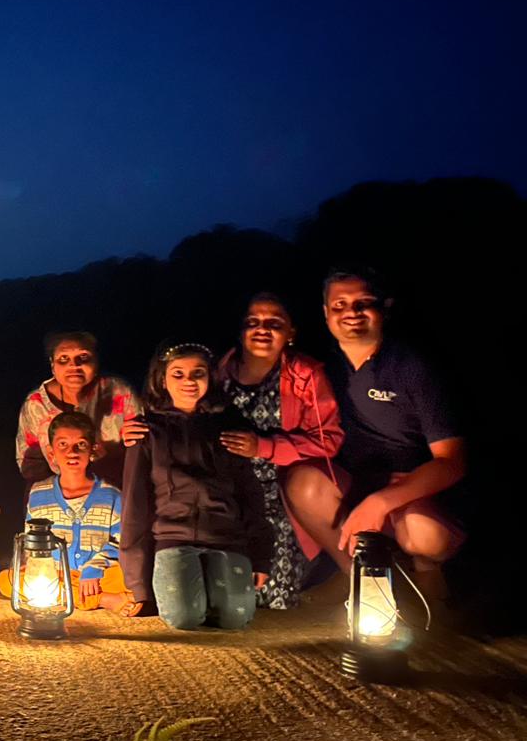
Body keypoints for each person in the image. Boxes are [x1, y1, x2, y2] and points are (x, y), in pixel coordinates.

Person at [123, 294, 343, 609]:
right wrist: (133, 431)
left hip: (280, 488)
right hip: (201, 510)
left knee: (269, 601)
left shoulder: (304, 375)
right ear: (241, 331)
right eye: (253, 323)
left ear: (290, 332)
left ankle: (330, 574)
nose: (262, 330)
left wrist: (264, 447)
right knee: (197, 605)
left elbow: (328, 439)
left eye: (274, 324)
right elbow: (175, 410)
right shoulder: (222, 372)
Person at [282, 267, 466, 601]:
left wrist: (382, 502)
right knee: (302, 484)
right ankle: (357, 578)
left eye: (362, 303)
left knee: (427, 537)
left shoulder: (412, 365)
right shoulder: (323, 366)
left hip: (411, 485)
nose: (350, 313)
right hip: (355, 480)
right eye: (339, 305)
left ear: (385, 307)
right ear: (325, 313)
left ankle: (427, 571)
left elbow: (451, 461)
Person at [119, 342, 271, 629]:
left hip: (226, 537)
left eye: (197, 373)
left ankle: (212, 587)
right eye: (178, 374)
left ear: (210, 378)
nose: (188, 381)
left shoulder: (229, 426)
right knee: (183, 617)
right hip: (173, 538)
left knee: (235, 618)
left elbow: (250, 493)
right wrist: (138, 583)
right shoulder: (146, 432)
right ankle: (191, 590)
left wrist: (260, 557)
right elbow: (134, 504)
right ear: (162, 380)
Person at [0, 411, 126, 610]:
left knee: (127, 578)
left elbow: (121, 543)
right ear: (51, 452)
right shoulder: (39, 493)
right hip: (54, 572)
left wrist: (93, 569)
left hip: (99, 574)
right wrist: (31, 564)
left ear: (93, 450)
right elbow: (33, 538)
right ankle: (100, 600)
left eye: (81, 445)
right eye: (63, 445)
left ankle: (71, 595)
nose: (72, 452)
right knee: (7, 580)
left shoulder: (112, 495)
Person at [15, 331, 140, 487]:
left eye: (83, 357)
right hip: (58, 493)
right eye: (63, 359)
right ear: (53, 366)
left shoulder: (118, 392)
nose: (73, 365)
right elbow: (31, 463)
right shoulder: (36, 406)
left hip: (116, 487)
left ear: (96, 362)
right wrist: (46, 495)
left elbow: (141, 447)